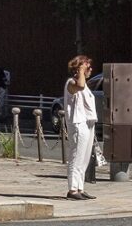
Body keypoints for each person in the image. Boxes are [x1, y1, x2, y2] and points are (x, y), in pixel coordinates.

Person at [65, 54, 99, 200]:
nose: (90, 69)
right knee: (76, 156)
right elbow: (79, 86)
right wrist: (80, 70)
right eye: (87, 66)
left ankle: (80, 187)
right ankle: (72, 189)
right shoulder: (71, 83)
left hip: (87, 123)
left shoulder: (84, 85)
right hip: (78, 124)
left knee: (84, 158)